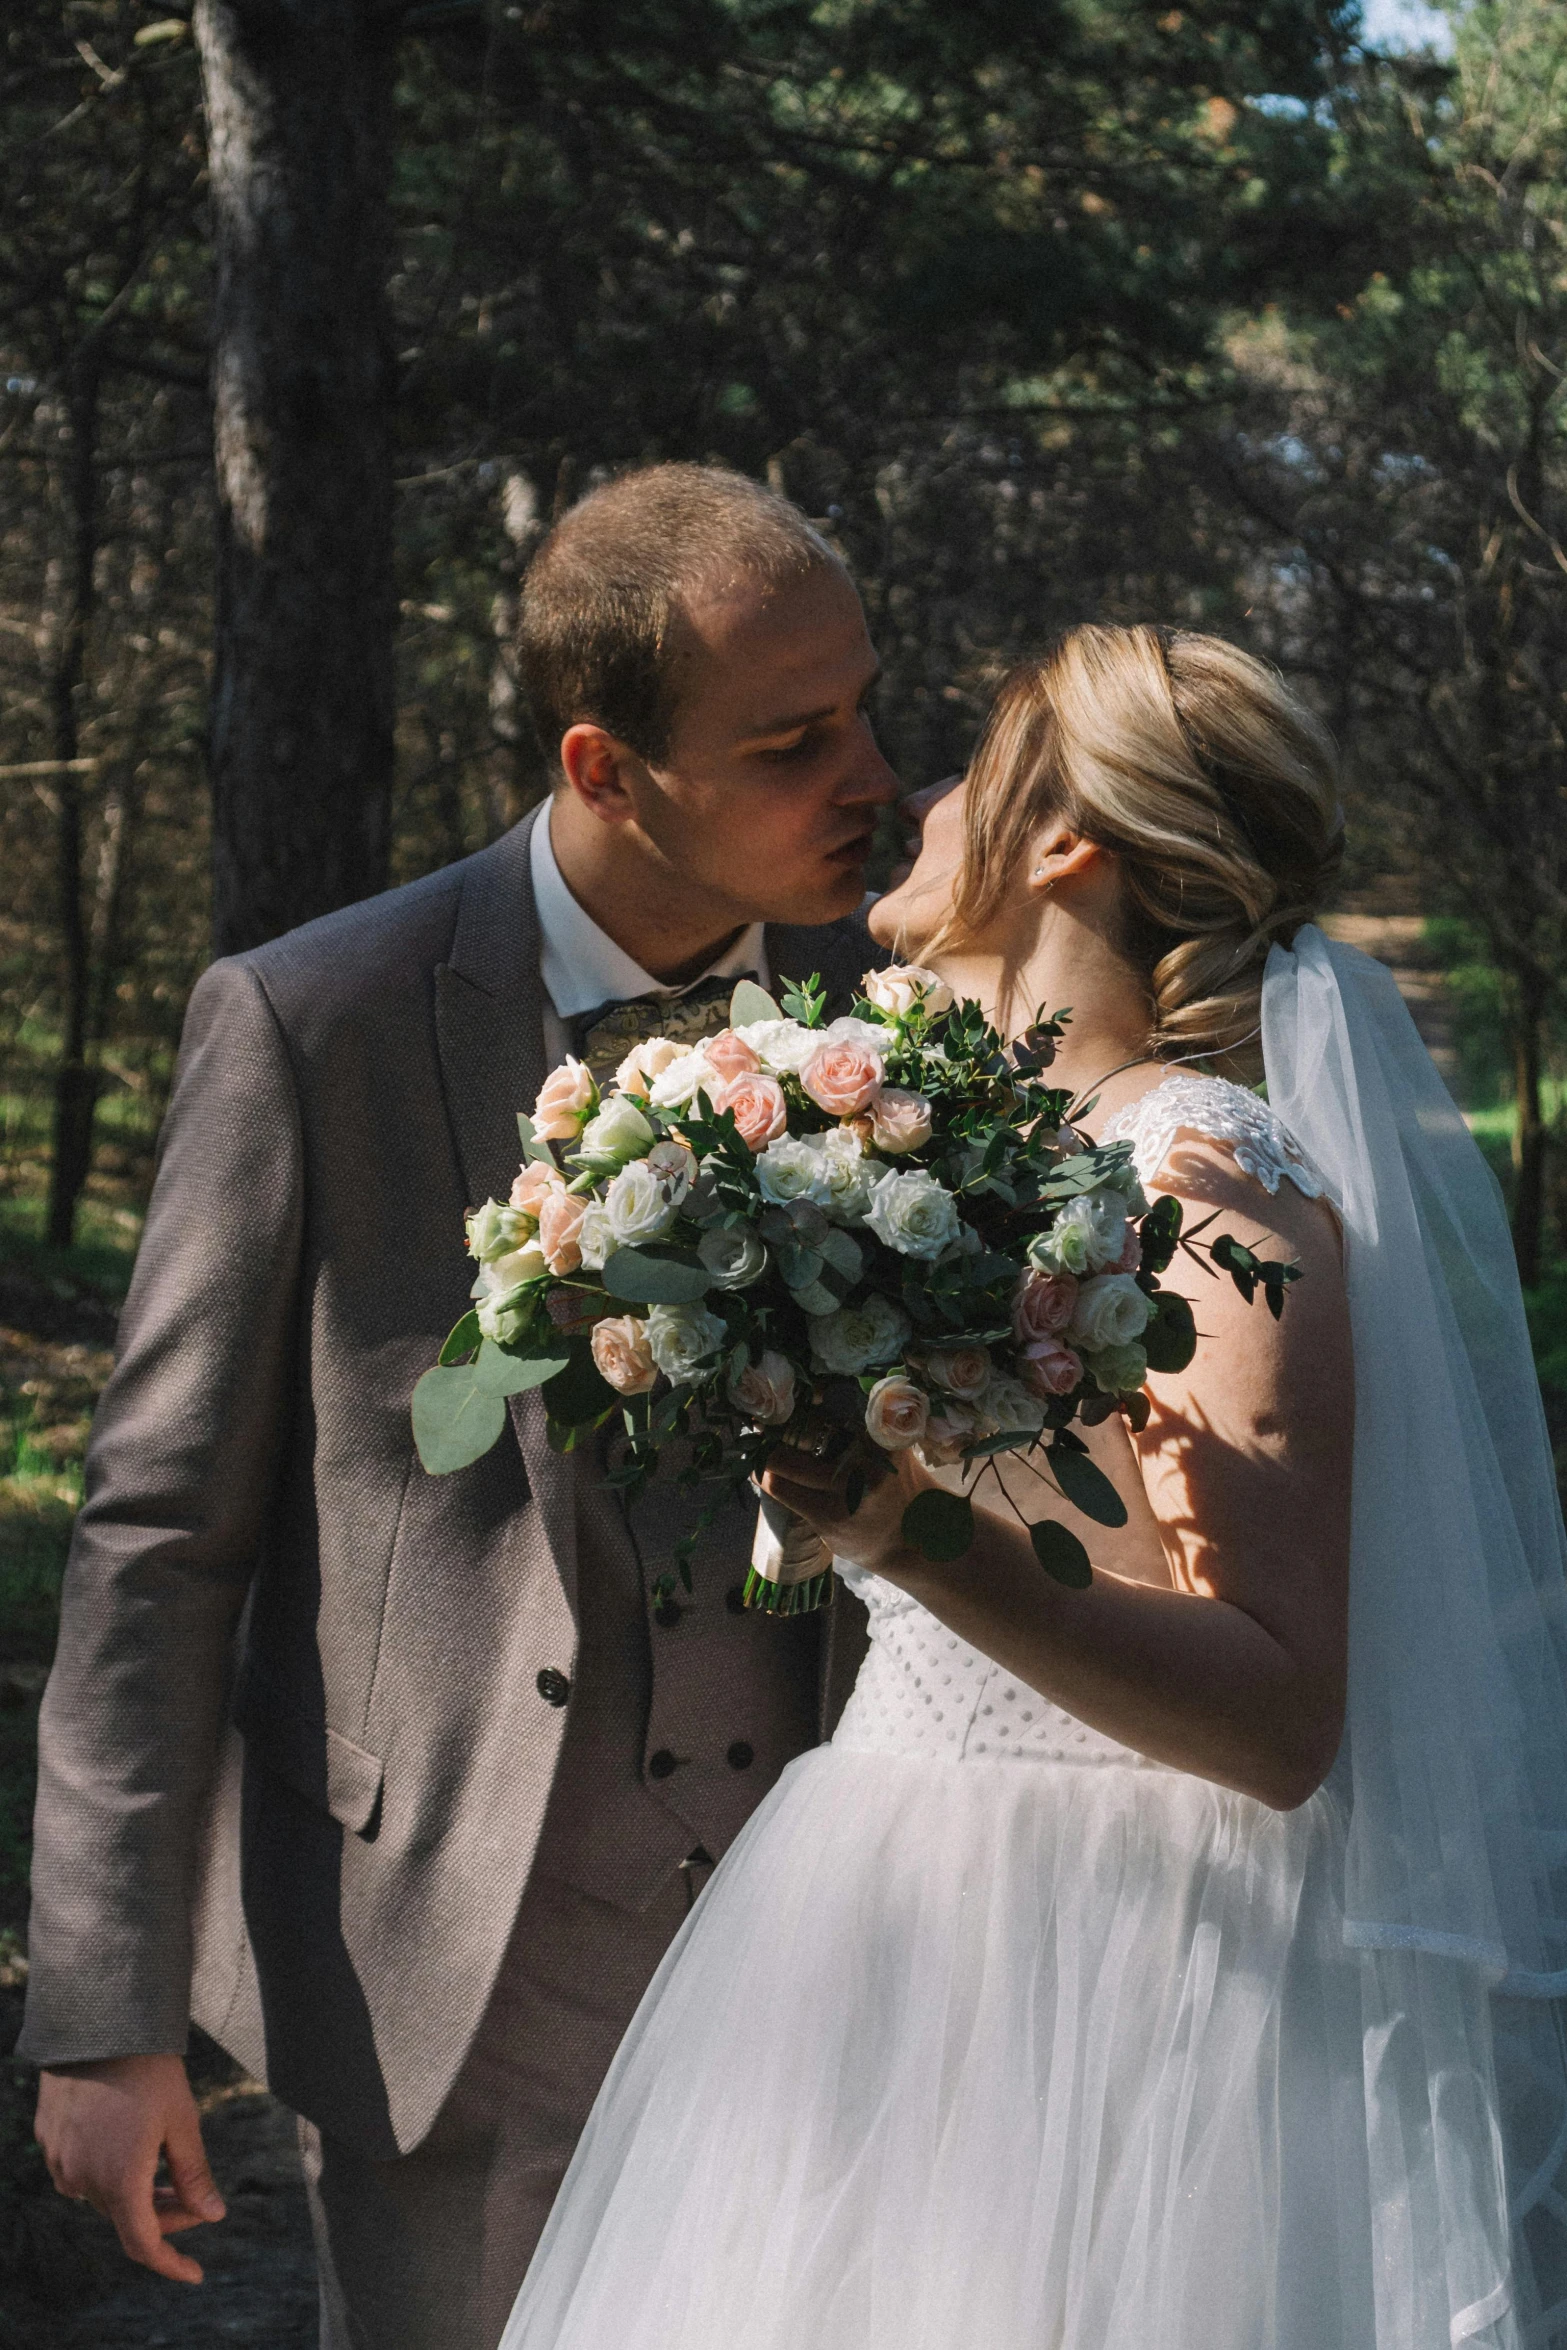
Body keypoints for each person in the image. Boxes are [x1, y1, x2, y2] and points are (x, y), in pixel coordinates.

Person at [498, 623, 1567, 2350]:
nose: (910, 799)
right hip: (876, 1925)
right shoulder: (949, 1156)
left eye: (965, 769)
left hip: (1120, 1976)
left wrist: (908, 1529)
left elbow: (1282, 1713)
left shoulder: (1208, 1174)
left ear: (1064, 833)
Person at [21, 461, 896, 2350]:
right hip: (446, 1950)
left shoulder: (902, 1021)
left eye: (864, 710)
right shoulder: (313, 1020)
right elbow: (160, 1534)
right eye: (791, 737)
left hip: (843, 1941)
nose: (871, 777)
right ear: (605, 768)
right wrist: (107, 2005)